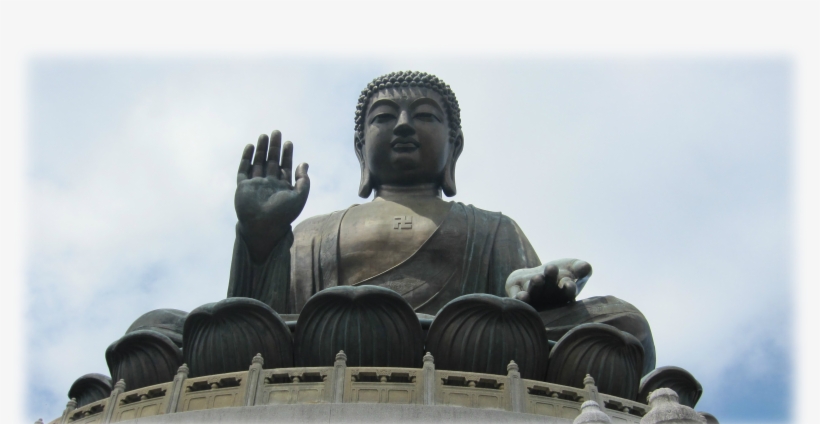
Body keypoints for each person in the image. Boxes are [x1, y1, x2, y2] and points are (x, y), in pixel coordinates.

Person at [227, 71, 655, 373]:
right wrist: (260, 237)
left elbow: (522, 314)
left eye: (426, 115)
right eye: (384, 117)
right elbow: (256, 325)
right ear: (361, 149)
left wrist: (534, 292)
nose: (404, 125)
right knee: (164, 326)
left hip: (468, 345)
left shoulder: (492, 228)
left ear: (455, 146)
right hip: (329, 343)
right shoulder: (312, 232)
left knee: (624, 323)